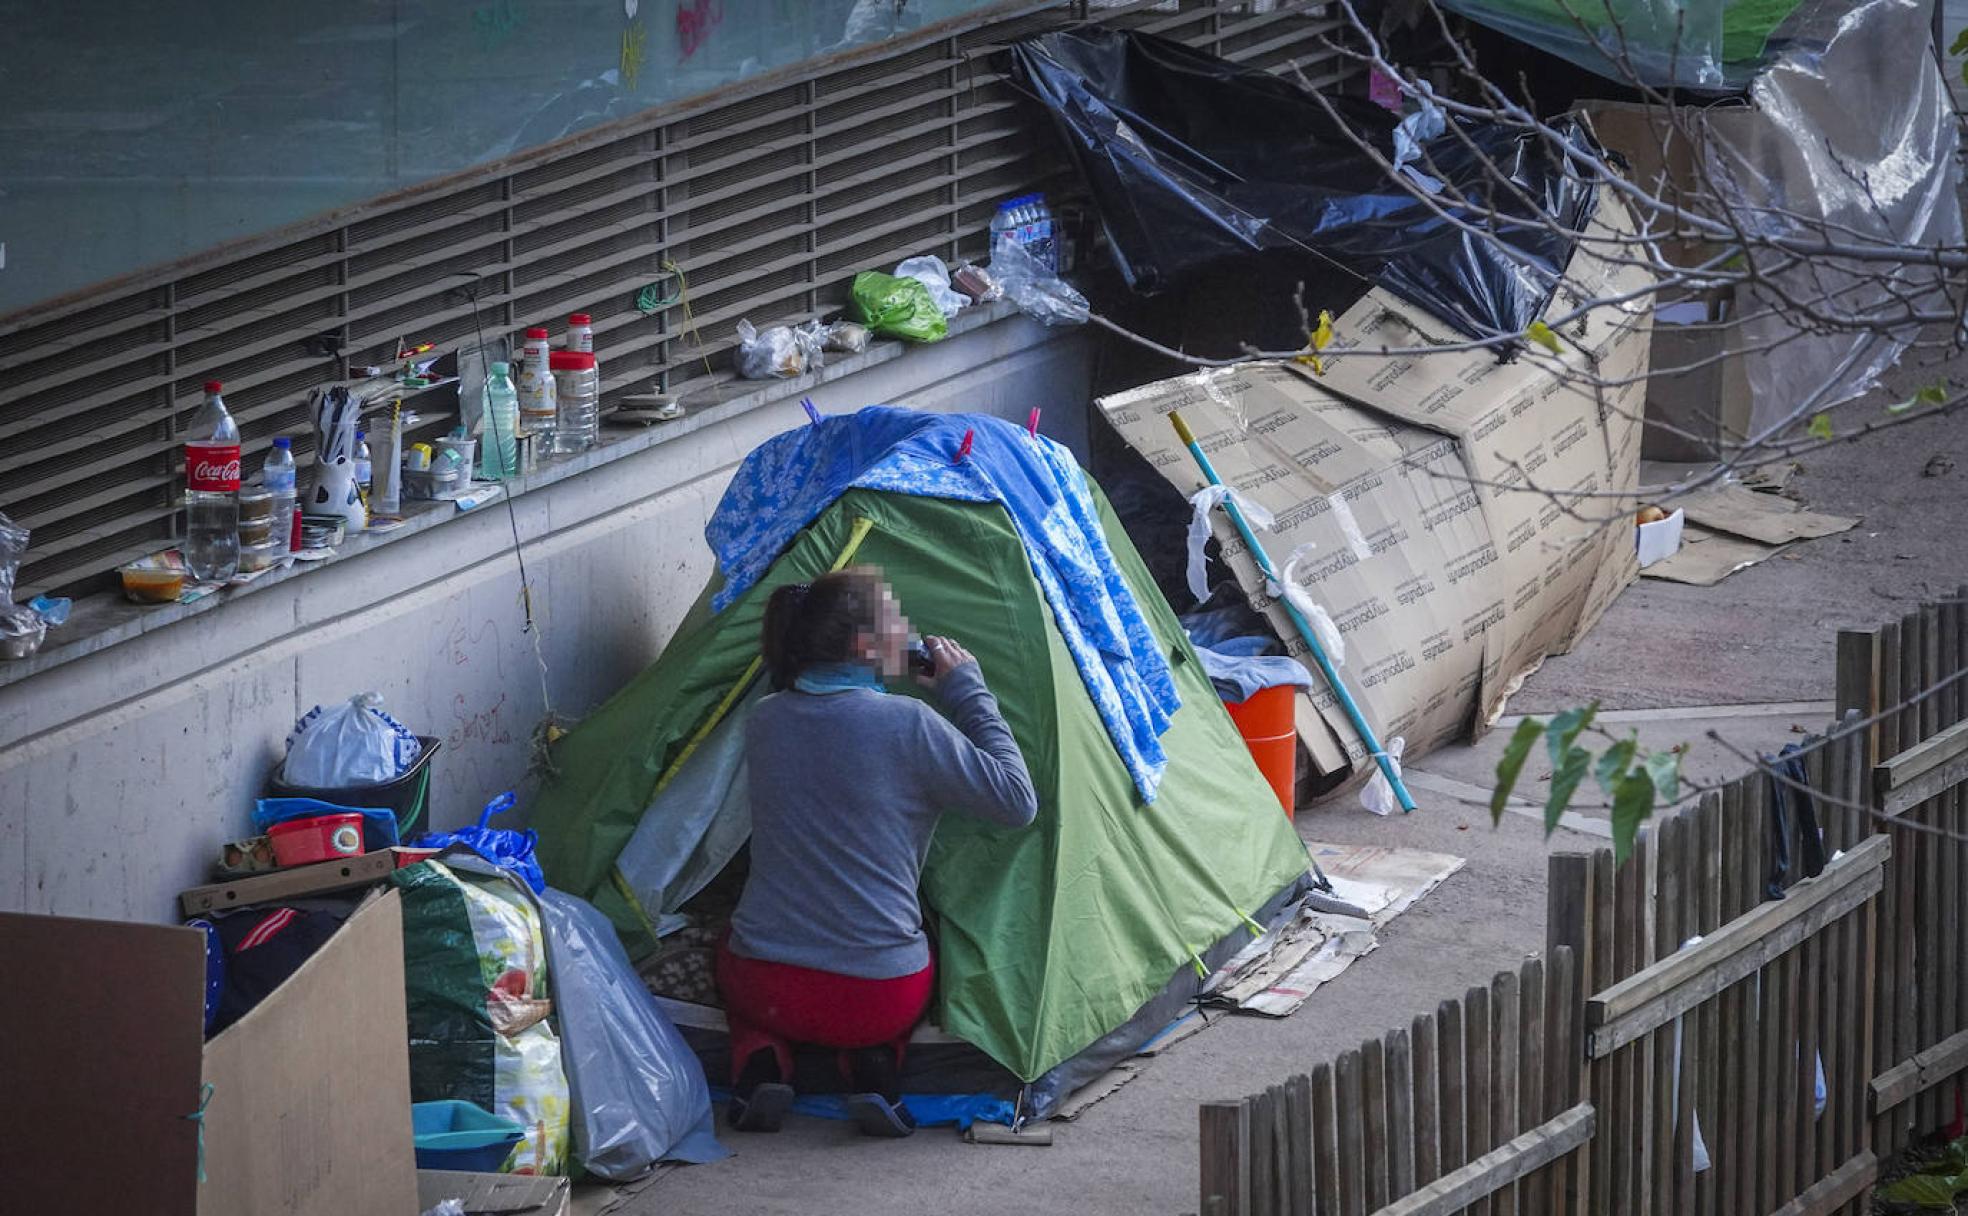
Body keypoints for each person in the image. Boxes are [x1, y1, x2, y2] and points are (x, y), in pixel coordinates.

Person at [717, 567, 1039, 1138]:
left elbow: (838, 730)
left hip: (766, 986)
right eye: (897, 618)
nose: (910, 629)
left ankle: (760, 1056)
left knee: (732, 942)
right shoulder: (910, 723)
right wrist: (968, 691)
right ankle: (874, 1063)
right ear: (867, 646)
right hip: (877, 995)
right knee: (925, 936)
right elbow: (1016, 801)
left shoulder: (763, 721)